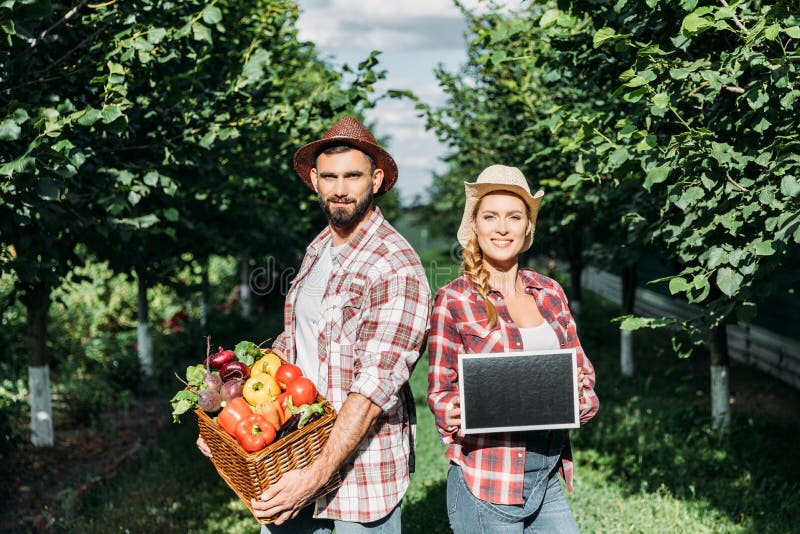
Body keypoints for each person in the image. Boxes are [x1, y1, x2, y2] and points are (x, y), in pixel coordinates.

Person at [197, 116, 431, 533]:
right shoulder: (320, 246)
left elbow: (374, 389)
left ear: (376, 180)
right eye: (330, 177)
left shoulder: (395, 266)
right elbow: (300, 340)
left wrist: (314, 478)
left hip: (357, 477)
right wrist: (229, 419)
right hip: (290, 454)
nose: (340, 189)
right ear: (314, 180)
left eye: (353, 176)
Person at [426, 164, 599, 533]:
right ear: (476, 226)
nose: (502, 227)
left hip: (547, 473)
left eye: (514, 217)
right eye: (490, 216)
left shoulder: (550, 292)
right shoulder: (454, 299)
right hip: (489, 479)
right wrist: (452, 411)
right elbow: (439, 392)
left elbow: (581, 373)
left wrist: (582, 399)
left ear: (527, 228)